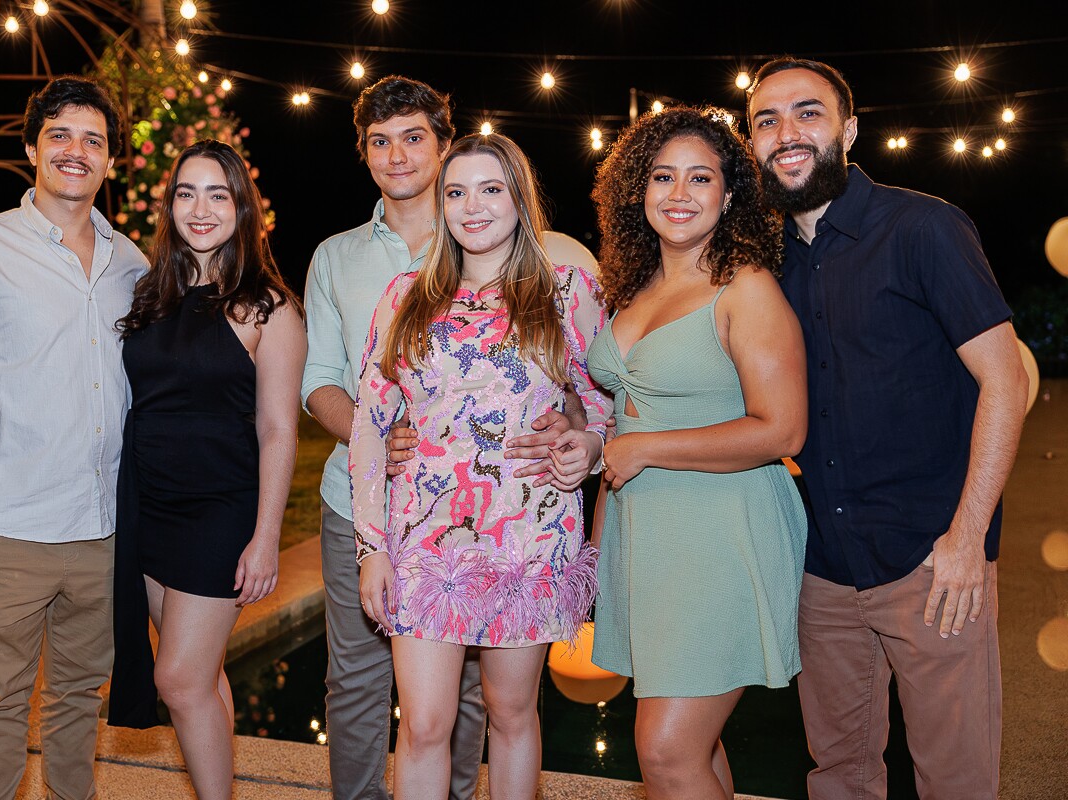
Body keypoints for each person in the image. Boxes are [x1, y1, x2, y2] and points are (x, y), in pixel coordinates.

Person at [746, 57, 1028, 799]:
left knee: (956, 780)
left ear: (849, 127)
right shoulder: (763, 264)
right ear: (751, 145)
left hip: (931, 563)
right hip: (823, 570)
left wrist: (968, 540)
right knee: (837, 776)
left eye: (807, 113)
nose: (787, 134)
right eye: (766, 121)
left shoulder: (923, 227)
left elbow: (1005, 380)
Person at [350, 131, 612, 800]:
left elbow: (605, 407)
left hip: (528, 537)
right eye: (457, 191)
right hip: (425, 542)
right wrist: (370, 548)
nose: (473, 207)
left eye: (491, 189)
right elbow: (370, 430)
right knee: (425, 725)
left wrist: (583, 443)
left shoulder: (566, 292)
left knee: (513, 714)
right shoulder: (407, 295)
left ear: (519, 200)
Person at [0, 76, 146, 799]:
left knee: (80, 700)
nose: (76, 151)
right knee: (0, 703)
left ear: (111, 161)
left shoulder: (132, 264)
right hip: (5, 525)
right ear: (32, 147)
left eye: (94, 140)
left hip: (102, 528)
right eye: (61, 135)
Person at [586, 106, 808, 800]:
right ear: (638, 190)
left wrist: (648, 448)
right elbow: (621, 418)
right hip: (644, 534)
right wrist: (597, 549)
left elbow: (783, 431)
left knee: (666, 748)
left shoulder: (746, 287)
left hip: (724, 529)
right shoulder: (630, 286)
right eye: (662, 177)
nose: (678, 194)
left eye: (700, 178)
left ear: (731, 193)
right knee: (694, 749)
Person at [303, 75, 492, 800]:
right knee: (354, 677)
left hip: (468, 512)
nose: (397, 155)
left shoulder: (490, 240)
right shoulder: (335, 258)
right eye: (380, 142)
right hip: (359, 505)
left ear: (445, 145)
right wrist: (369, 435)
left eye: (414, 137)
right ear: (365, 153)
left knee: (468, 682)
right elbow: (318, 378)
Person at [106, 139, 305, 800]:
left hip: (220, 511)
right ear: (170, 206)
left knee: (179, 680)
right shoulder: (149, 295)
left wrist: (266, 536)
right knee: (207, 674)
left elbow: (279, 430)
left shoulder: (267, 308)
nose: (201, 208)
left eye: (218, 194)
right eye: (187, 192)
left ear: (241, 208)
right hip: (148, 505)